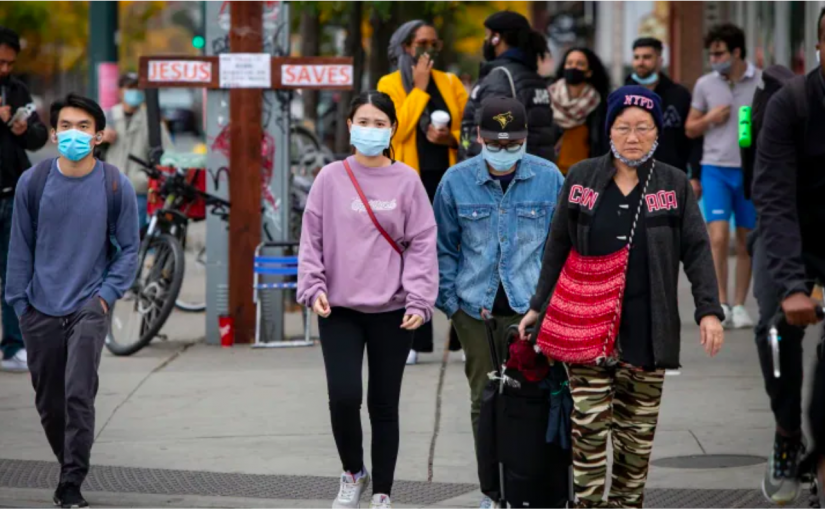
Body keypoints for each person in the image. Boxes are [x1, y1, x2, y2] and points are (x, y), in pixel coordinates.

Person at [519, 85, 725, 508]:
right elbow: (556, 246)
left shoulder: (673, 184)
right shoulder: (581, 177)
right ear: (609, 130)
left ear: (657, 132)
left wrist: (709, 311)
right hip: (586, 327)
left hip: (648, 332)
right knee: (589, 432)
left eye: (643, 128)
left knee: (635, 443)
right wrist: (538, 306)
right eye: (624, 127)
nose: (633, 137)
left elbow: (698, 250)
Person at [297, 90, 437, 509]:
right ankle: (353, 472)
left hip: (393, 312)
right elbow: (311, 237)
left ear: (393, 129)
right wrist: (313, 287)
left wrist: (419, 300)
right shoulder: (329, 178)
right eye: (363, 121)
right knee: (343, 397)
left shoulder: (407, 181)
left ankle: (382, 492)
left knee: (384, 404)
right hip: (338, 308)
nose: (370, 130)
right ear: (349, 126)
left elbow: (422, 243)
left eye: (379, 123)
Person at [5, 93, 140, 508]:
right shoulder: (34, 182)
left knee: (78, 392)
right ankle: (68, 461)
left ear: (98, 136)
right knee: (50, 403)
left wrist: (105, 297)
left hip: (89, 306)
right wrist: (20, 305)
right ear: (54, 133)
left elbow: (129, 250)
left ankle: (71, 481)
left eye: (84, 127)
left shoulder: (115, 185)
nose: (74, 134)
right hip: (39, 308)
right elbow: (20, 247)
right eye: (66, 126)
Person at [435, 96, 565, 509]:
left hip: (533, 307)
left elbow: (561, 246)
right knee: (485, 400)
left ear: (525, 139)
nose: (504, 151)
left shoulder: (549, 178)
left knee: (539, 396)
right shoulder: (456, 181)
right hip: (475, 309)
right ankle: (493, 490)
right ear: (478, 137)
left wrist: (551, 305)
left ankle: (536, 486)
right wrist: (453, 305)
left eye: (512, 144)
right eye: (495, 143)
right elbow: (442, 248)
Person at [751, 8, 825, 504]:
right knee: (775, 330)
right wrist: (795, 288)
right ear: (819, 45)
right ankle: (786, 433)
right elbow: (773, 199)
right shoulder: (791, 104)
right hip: (790, 232)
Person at [378, 20, 468, 365]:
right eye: (421, 43)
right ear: (406, 46)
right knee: (413, 258)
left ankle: (462, 338)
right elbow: (394, 131)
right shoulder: (389, 83)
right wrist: (418, 89)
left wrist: (451, 139)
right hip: (410, 184)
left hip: (449, 182)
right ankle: (415, 339)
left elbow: (469, 130)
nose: (428, 50)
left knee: (458, 254)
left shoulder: (451, 82)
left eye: (434, 43)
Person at [686, 23, 761, 329]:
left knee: (746, 240)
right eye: (711, 54)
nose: (714, 59)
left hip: (749, 170)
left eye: (719, 53)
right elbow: (690, 128)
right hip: (715, 168)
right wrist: (710, 118)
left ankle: (740, 304)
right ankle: (722, 303)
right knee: (717, 237)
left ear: (736, 52)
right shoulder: (705, 84)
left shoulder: (761, 81)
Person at [0, 26, 48, 373]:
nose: (5, 69)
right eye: (0, 62)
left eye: (10, 63)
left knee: (14, 274)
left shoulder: (17, 91)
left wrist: (24, 130)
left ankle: (13, 346)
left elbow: (39, 135)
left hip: (11, 194)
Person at [459, 11, 556, 163]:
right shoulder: (533, 78)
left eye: (487, 35)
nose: (486, 40)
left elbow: (493, 139)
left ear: (496, 38)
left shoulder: (501, 79)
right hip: (534, 169)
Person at [626, 37, 702, 192]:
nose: (640, 62)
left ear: (660, 60)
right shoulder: (621, 97)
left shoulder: (679, 95)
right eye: (636, 57)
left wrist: (694, 175)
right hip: (631, 179)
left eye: (647, 57)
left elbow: (693, 139)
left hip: (672, 178)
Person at [101, 72, 173, 229]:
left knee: (134, 234)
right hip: (109, 188)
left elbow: (168, 153)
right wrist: (100, 138)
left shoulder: (152, 120)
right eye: (130, 88)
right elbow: (85, 147)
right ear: (120, 91)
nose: (134, 92)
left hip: (138, 188)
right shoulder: (106, 117)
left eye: (138, 89)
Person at [549, 47, 610, 175]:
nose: (573, 67)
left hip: (586, 175)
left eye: (580, 64)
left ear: (589, 72)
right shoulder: (547, 97)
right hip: (552, 173)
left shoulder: (599, 104)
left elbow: (602, 144)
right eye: (569, 63)